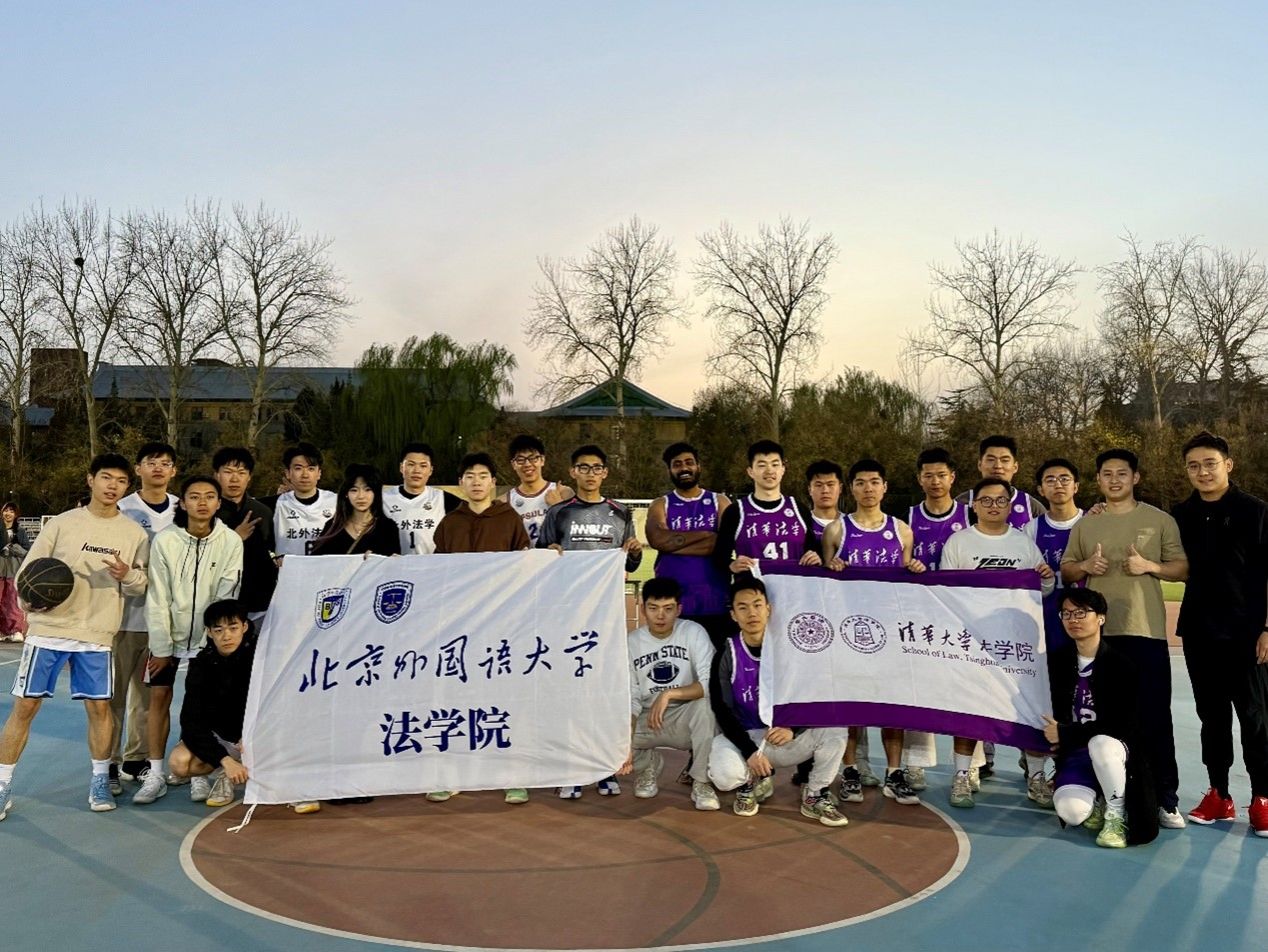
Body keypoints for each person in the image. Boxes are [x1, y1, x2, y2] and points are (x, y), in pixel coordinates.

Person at [0, 454, 149, 819]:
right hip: (49, 631)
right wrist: (31, 603)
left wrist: (127, 575)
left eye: (121, 481)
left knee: (99, 709)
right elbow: (27, 573)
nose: (113, 486)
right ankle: (2, 784)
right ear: (90, 479)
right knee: (25, 707)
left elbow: (140, 584)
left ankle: (100, 780)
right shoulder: (62, 524)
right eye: (106, 477)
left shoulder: (134, 533)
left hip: (96, 634)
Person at [1062, 448, 1189, 829]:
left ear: (1135, 477)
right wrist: (1086, 566)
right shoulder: (1087, 525)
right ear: (1098, 479)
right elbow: (1067, 570)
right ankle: (1109, 796)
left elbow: (1182, 568)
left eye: (1122, 473)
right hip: (1100, 638)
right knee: (1104, 720)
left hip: (1145, 632)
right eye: (1107, 473)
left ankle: (1165, 798)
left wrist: (1148, 565)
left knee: (1155, 716)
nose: (1114, 479)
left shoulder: (1159, 520)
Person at [1170, 431, 1268, 834]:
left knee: (1255, 717)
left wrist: (1267, 627)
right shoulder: (1180, 514)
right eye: (1193, 465)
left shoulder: (1256, 511)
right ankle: (1219, 794)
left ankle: (1262, 798)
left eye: (1210, 463)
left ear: (1228, 464)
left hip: (1248, 634)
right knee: (1211, 718)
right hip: (1200, 631)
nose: (1202, 471)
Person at [940, 477, 1055, 809]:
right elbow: (946, 592)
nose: (994, 506)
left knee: (1031, 709)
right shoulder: (959, 543)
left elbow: (1041, 590)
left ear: (1010, 505)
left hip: (1017, 646)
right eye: (986, 500)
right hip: (973, 646)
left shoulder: (1022, 544)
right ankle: (962, 775)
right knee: (969, 710)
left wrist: (1047, 579)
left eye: (1001, 500)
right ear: (974, 505)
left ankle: (1036, 777)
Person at [538, 444, 643, 799]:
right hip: (569, 616)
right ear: (572, 472)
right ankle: (572, 768)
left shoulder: (620, 512)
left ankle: (605, 767)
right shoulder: (558, 513)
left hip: (606, 617)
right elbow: (541, 561)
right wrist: (549, 554)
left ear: (605, 473)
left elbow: (629, 565)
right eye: (583, 467)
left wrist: (635, 553)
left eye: (596, 467)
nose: (590, 473)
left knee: (604, 693)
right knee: (571, 693)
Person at [132, 476, 244, 807]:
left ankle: (199, 773)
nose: (202, 502)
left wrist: (214, 640)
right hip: (168, 636)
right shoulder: (166, 540)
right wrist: (162, 647)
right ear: (182, 502)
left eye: (209, 496)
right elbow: (158, 596)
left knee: (203, 704)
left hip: (209, 640)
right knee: (159, 698)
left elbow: (227, 593)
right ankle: (155, 773)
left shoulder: (230, 541)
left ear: (219, 503)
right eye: (194, 496)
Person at [705, 577, 850, 827]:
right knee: (724, 776)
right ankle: (751, 782)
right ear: (733, 615)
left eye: (757, 605)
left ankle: (815, 793)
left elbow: (812, 695)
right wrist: (749, 752)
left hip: (784, 737)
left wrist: (794, 728)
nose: (752, 613)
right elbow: (722, 708)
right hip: (748, 737)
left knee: (835, 728)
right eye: (743, 607)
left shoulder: (791, 648)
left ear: (769, 609)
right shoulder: (727, 652)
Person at [821, 459, 924, 806]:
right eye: (861, 482)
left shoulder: (902, 530)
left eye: (874, 482)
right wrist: (831, 566)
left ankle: (894, 774)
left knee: (892, 705)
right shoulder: (836, 530)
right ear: (851, 488)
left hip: (890, 633)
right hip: (849, 633)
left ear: (885, 487)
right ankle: (850, 770)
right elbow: (823, 583)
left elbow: (908, 579)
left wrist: (914, 567)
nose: (868, 489)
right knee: (851, 705)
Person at [1044, 587, 1159, 847]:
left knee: (1100, 743)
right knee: (1072, 814)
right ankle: (1097, 798)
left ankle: (1115, 815)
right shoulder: (1057, 661)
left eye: (1081, 613)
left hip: (1115, 752)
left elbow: (1121, 725)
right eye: (1066, 614)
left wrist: (1064, 733)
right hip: (1076, 753)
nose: (1073, 619)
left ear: (1101, 618)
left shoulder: (1122, 665)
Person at [112, 441, 180, 791]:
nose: (158, 468)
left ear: (174, 471)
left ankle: (135, 760)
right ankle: (108, 764)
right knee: (112, 697)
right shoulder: (121, 507)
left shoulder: (183, 508)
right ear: (138, 469)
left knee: (146, 697)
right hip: (120, 618)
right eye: (151, 462)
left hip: (160, 622)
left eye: (165, 463)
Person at [619, 578, 720, 811]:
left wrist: (669, 694)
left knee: (706, 708)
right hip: (647, 718)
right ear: (642, 609)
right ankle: (648, 765)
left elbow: (709, 683)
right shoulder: (631, 643)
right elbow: (631, 696)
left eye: (668, 608)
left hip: (684, 715)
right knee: (611, 736)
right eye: (653, 608)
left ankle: (701, 781)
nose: (660, 616)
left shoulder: (693, 632)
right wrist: (624, 740)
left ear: (679, 609)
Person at [167, 599, 257, 809]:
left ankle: (285, 785)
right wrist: (224, 760)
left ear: (244, 627)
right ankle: (226, 773)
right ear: (209, 632)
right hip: (224, 738)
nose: (226, 636)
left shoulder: (260, 658)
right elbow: (191, 722)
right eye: (218, 630)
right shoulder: (201, 665)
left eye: (233, 628)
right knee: (179, 763)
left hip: (256, 735)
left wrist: (253, 733)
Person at [645, 442, 732, 645]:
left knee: (716, 661)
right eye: (677, 464)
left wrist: (673, 544)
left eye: (689, 462)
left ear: (698, 466)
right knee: (677, 661)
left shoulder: (720, 501)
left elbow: (724, 544)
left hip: (716, 601)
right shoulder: (661, 504)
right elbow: (657, 540)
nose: (684, 468)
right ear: (669, 470)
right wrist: (707, 535)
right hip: (673, 604)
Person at [711, 440, 819, 579]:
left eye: (775, 464)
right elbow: (720, 557)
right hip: (753, 590)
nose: (769, 471)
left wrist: (816, 557)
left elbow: (813, 552)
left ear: (783, 469)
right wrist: (731, 564)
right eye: (762, 465)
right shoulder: (736, 511)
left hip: (793, 589)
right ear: (750, 471)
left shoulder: (799, 509)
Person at [212, 447, 278, 618]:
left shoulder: (263, 511)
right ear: (216, 475)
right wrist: (235, 538)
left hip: (259, 600)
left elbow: (271, 551)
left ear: (249, 477)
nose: (235, 479)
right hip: (217, 597)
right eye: (228, 472)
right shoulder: (207, 511)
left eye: (241, 473)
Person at [1027, 458, 1084, 653]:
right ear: (1041, 490)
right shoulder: (1031, 529)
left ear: (1076, 486)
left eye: (1064, 479)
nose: (1058, 484)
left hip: (1087, 619)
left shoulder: (1093, 522)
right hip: (1047, 619)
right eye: (1050, 480)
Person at [434, 453, 531, 555]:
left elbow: (522, 557)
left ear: (493, 482)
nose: (477, 483)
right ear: (461, 483)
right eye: (470, 477)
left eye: (483, 477)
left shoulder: (510, 519)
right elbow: (439, 561)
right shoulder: (449, 522)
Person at [382, 442, 462, 555]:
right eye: (411, 464)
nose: (417, 470)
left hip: (432, 564)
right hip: (395, 564)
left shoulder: (444, 499)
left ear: (431, 470)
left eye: (423, 466)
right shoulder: (384, 499)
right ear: (401, 467)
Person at [955, 435, 1046, 529]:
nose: (998, 466)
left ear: (1015, 467)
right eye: (991, 460)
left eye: (1005, 460)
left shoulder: (1031, 507)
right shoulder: (962, 503)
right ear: (979, 464)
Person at [310, 465, 403, 557]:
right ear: (346, 493)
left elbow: (394, 563)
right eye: (354, 490)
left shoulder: (388, 528)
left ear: (375, 493)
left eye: (367, 490)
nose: (361, 496)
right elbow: (316, 562)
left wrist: (376, 560)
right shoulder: (333, 527)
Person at [500, 434, 574, 545]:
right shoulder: (505, 501)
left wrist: (557, 507)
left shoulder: (564, 493)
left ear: (542, 460)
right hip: (524, 556)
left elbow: (577, 532)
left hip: (557, 555)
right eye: (520, 460)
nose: (527, 464)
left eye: (533, 458)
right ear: (513, 464)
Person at [269, 443, 337, 558]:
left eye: (311, 469)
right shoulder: (275, 504)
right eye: (298, 468)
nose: (305, 475)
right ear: (288, 473)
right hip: (288, 569)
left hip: (325, 568)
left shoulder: (336, 502)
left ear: (319, 473)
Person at [908, 447, 970, 572]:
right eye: (928, 476)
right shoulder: (907, 518)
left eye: (942, 475)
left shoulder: (971, 515)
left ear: (952, 477)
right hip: (921, 584)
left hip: (959, 584)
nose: (935, 481)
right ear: (919, 479)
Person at [1, 502, 30, 642]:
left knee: (13, 600)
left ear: (16, 514)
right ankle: (2, 631)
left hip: (14, 570)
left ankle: (15, 630)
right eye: (6, 510)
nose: (8, 513)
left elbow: (27, 551)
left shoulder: (20, 531)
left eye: (11, 511)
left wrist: (14, 547)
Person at [804, 459, 844, 549]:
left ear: (840, 488)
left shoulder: (851, 524)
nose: (825, 490)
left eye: (830, 485)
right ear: (809, 489)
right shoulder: (801, 523)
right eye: (819, 485)